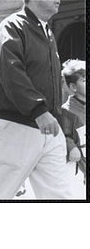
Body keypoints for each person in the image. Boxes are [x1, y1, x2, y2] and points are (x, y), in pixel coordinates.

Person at [0, 0, 71, 199]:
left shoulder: (47, 31)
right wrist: (37, 110)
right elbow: (11, 71)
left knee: (59, 196)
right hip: (17, 124)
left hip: (48, 125)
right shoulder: (11, 26)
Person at [60, 59, 86, 198]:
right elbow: (63, 134)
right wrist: (71, 147)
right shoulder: (67, 110)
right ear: (73, 87)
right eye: (84, 80)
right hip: (77, 164)